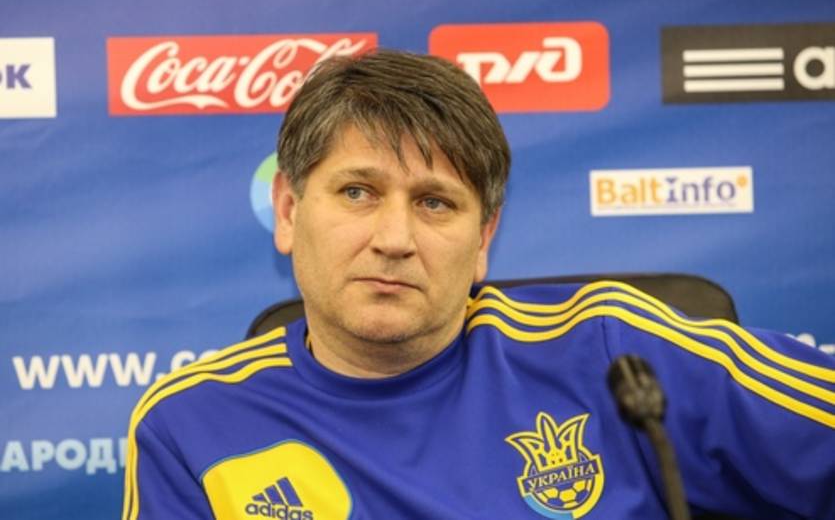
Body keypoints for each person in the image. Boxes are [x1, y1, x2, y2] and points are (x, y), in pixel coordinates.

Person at [122, 50, 835, 520]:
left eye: (435, 203)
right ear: (286, 211)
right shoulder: (187, 426)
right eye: (358, 192)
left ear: (483, 238)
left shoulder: (614, 354)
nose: (394, 238)